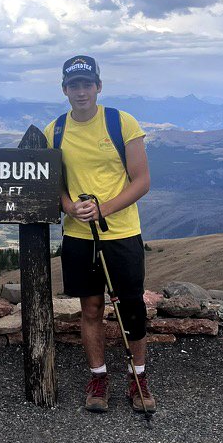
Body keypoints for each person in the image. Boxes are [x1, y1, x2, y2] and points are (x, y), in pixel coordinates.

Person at [44, 56, 155, 414]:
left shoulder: (121, 123)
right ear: (64, 89)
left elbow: (142, 181)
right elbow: (54, 185)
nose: (81, 92)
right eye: (74, 85)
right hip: (79, 237)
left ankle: (138, 380)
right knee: (90, 308)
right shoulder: (54, 131)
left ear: (98, 86)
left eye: (87, 84)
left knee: (131, 309)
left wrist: (102, 209)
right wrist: (68, 207)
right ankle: (98, 378)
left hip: (122, 233)